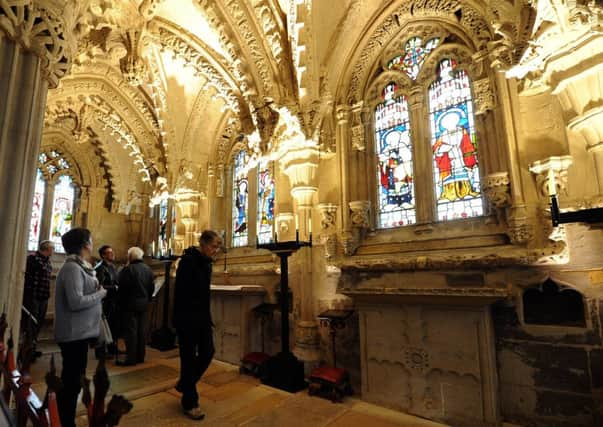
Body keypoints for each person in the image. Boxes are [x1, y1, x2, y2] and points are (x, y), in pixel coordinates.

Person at [54, 228, 106, 427]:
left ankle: (63, 417)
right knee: (72, 382)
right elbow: (75, 302)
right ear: (85, 245)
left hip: (80, 333)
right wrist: (100, 294)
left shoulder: (80, 267)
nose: (92, 244)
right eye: (91, 241)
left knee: (74, 380)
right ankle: (64, 421)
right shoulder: (72, 269)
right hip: (73, 335)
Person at [173, 230, 222, 421]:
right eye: (214, 246)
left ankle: (185, 383)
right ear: (203, 244)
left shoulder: (206, 264)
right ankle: (190, 402)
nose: (216, 250)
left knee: (208, 352)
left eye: (218, 246)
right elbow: (182, 294)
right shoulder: (188, 262)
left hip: (201, 318)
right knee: (188, 359)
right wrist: (179, 319)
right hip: (187, 319)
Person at [117, 246, 154, 366]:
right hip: (143, 304)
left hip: (130, 305)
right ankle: (140, 357)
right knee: (141, 331)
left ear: (130, 257)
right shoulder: (148, 269)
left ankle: (131, 359)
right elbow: (151, 288)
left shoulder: (128, 269)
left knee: (131, 332)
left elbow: (122, 287)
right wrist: (146, 299)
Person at [22, 240, 55, 359]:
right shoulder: (32, 259)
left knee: (39, 322)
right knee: (31, 323)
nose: (54, 251)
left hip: (44, 296)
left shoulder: (47, 261)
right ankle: (27, 351)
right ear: (46, 249)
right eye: (52, 248)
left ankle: (33, 347)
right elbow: (27, 276)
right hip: (33, 296)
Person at [94, 245, 119, 355]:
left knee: (112, 325)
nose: (112, 254)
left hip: (112, 300)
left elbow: (115, 281)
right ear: (103, 255)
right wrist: (115, 288)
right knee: (103, 326)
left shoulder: (112, 267)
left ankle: (112, 348)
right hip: (104, 301)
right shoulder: (99, 268)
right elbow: (99, 286)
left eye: (112, 251)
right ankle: (100, 351)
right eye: (109, 252)